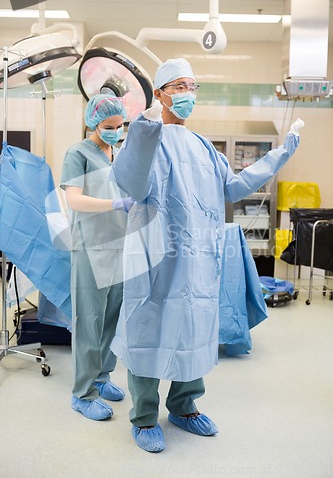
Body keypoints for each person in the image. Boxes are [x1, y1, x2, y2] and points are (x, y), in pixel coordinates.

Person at [110, 58, 304, 451]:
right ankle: (145, 416)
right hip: (155, 259)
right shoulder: (146, 138)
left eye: (193, 87)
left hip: (197, 259)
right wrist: (143, 132)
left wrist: (279, 155)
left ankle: (184, 406)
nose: (187, 94)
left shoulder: (202, 147)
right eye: (179, 86)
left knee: (194, 330)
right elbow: (129, 180)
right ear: (161, 93)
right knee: (149, 329)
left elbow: (233, 187)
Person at [61, 94, 134, 421]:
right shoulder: (77, 154)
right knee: (89, 321)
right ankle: (83, 393)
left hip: (118, 245)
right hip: (91, 247)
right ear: (93, 122)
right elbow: (75, 200)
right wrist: (116, 205)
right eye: (109, 127)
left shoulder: (115, 153)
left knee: (111, 319)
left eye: (120, 127)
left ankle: (102, 377)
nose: (115, 132)